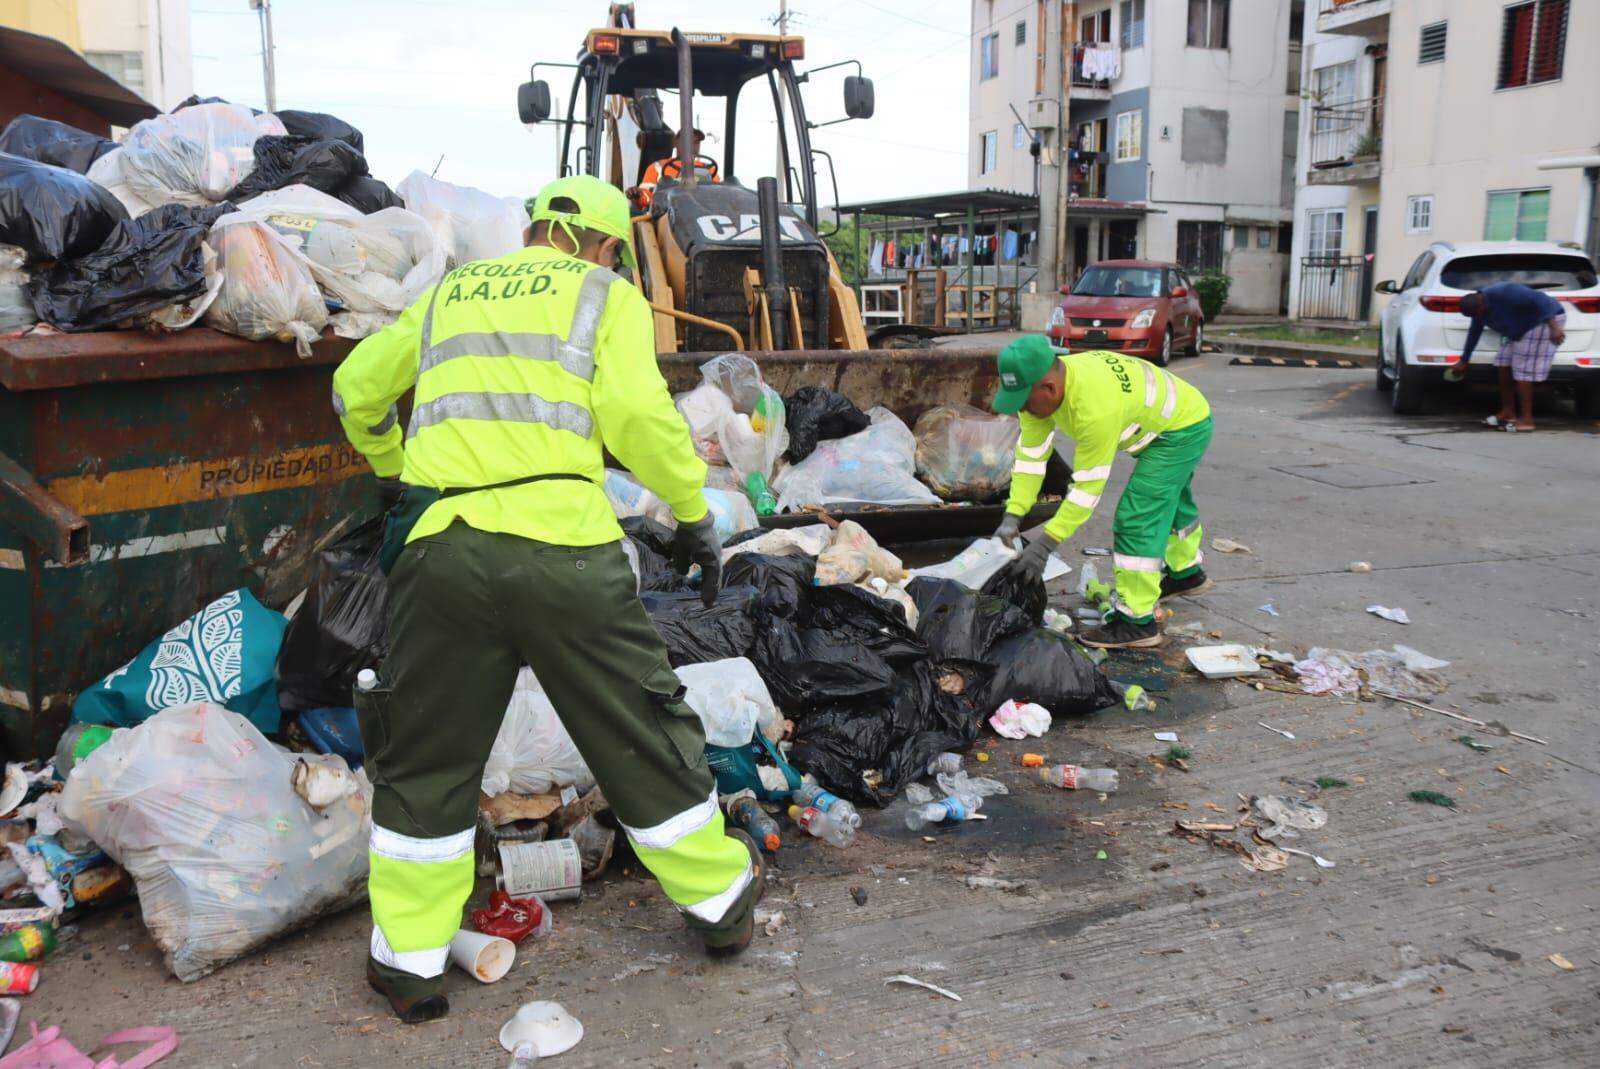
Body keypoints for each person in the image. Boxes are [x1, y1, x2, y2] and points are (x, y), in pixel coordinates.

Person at [331, 174, 762, 1024]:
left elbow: (354, 392)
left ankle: (412, 965)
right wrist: (689, 513)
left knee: (424, 758)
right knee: (640, 727)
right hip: (566, 552)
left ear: (535, 232)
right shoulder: (605, 296)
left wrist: (396, 474)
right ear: (605, 246)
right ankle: (719, 907)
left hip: (443, 555)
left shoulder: (452, 292)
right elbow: (638, 415)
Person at [987, 336, 1215, 649]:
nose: (1021, 409)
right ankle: (1187, 572)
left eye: (1024, 401)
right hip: (1167, 418)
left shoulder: (1094, 408)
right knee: (1171, 499)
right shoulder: (1042, 395)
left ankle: (1138, 622)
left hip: (1181, 429)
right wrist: (1013, 515)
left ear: (1049, 388)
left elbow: (1086, 491)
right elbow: (1030, 458)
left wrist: (1045, 544)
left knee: (1138, 516)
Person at [1443, 283, 1567, 432]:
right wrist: (1464, 360)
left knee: (1523, 371)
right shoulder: (1478, 311)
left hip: (1543, 320)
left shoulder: (1506, 292)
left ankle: (1527, 420)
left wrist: (1554, 327)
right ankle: (1508, 412)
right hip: (1521, 328)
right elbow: (1474, 333)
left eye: (1480, 313)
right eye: (1476, 316)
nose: (1480, 317)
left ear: (1483, 303)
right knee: (1503, 363)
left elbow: (1541, 300)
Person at [628, 127, 719, 211]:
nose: (692, 145)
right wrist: (639, 195)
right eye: (687, 140)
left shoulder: (709, 170)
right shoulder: (657, 167)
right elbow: (646, 197)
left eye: (696, 142)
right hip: (667, 215)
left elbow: (718, 196)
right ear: (675, 142)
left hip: (701, 214)